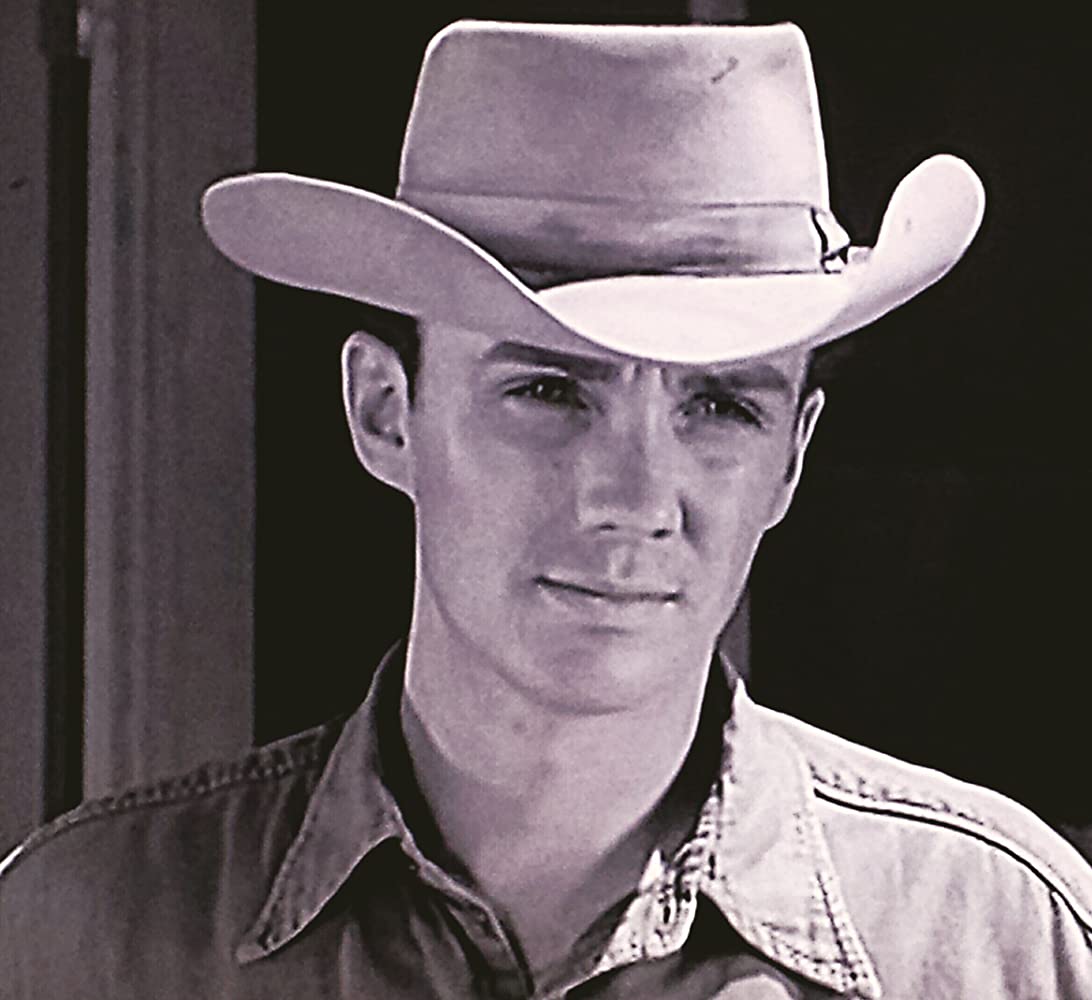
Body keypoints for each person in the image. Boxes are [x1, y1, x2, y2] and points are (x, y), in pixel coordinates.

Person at [2, 19, 1090, 999]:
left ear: (791, 458)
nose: (635, 498)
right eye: (549, 391)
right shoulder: (83, 942)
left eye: (720, 406)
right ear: (386, 412)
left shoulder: (998, 948)